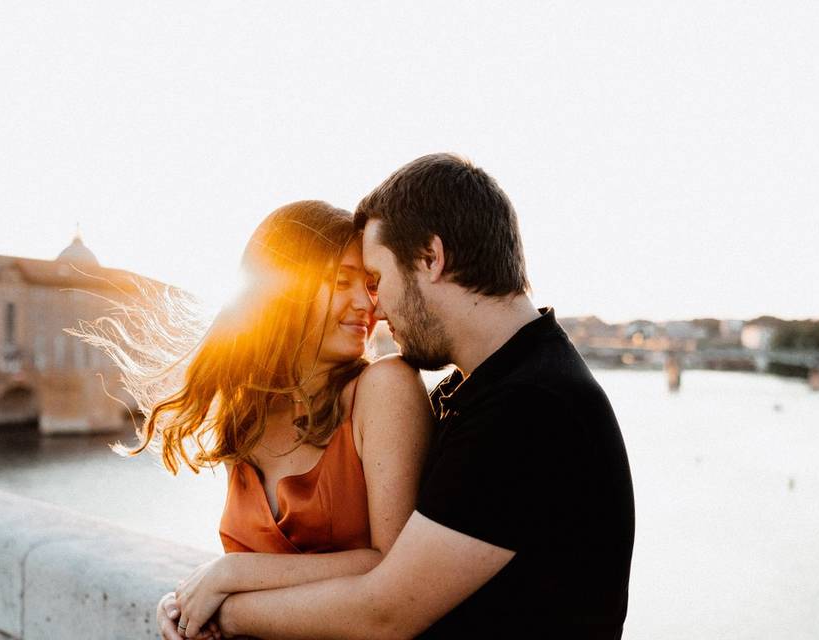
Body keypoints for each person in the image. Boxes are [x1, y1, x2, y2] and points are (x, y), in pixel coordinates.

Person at [189, 154, 635, 639]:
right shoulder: (482, 391)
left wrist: (224, 611)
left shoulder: (532, 406)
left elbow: (387, 611)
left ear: (430, 258)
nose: (375, 308)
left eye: (376, 280)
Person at [76, 201, 432, 640]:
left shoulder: (384, 387)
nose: (366, 304)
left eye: (370, 284)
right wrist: (188, 601)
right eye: (342, 282)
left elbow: (393, 566)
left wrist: (229, 575)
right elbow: (270, 579)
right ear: (283, 291)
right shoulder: (247, 415)